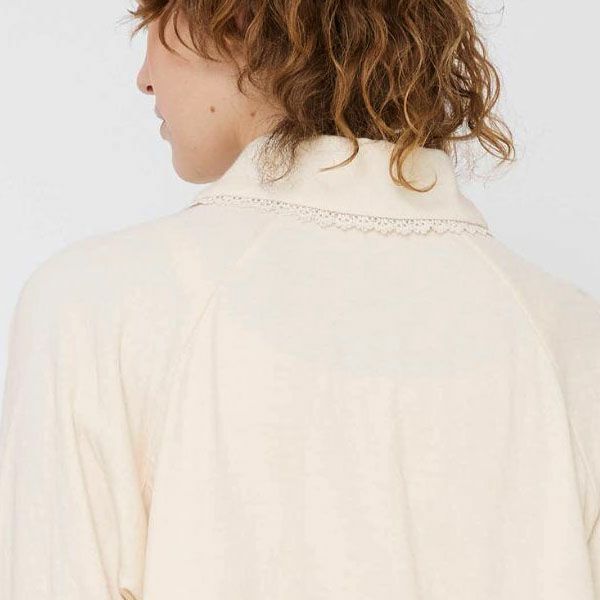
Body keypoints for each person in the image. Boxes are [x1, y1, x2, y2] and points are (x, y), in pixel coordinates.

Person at [0, 2, 599, 599]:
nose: (145, 77)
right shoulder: (569, 335)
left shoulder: (97, 307)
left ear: (236, 19)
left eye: (153, 21)